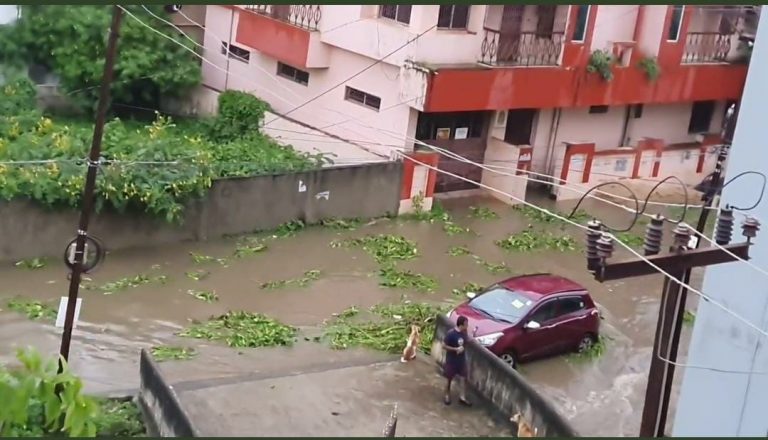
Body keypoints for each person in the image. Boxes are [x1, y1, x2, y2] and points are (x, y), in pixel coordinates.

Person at [442, 315, 472, 406]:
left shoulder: (464, 333)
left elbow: (466, 341)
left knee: (463, 378)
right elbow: (443, 346)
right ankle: (447, 395)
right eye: (466, 324)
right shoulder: (451, 334)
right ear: (461, 325)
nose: (467, 326)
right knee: (449, 379)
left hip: (461, 360)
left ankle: (462, 397)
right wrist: (455, 349)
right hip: (451, 360)